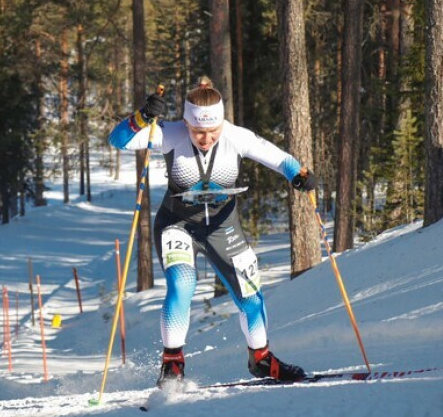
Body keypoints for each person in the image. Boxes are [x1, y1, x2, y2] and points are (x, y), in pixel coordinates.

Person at [108, 77, 317, 386]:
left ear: (222, 122)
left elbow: (279, 159)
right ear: (186, 123)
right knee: (183, 284)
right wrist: (141, 118)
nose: (205, 138)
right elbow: (118, 140)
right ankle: (172, 366)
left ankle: (261, 359)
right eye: (198, 131)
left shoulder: (237, 136)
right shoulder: (169, 134)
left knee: (250, 294)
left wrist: (298, 175)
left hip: (223, 224)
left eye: (212, 131)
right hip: (177, 223)